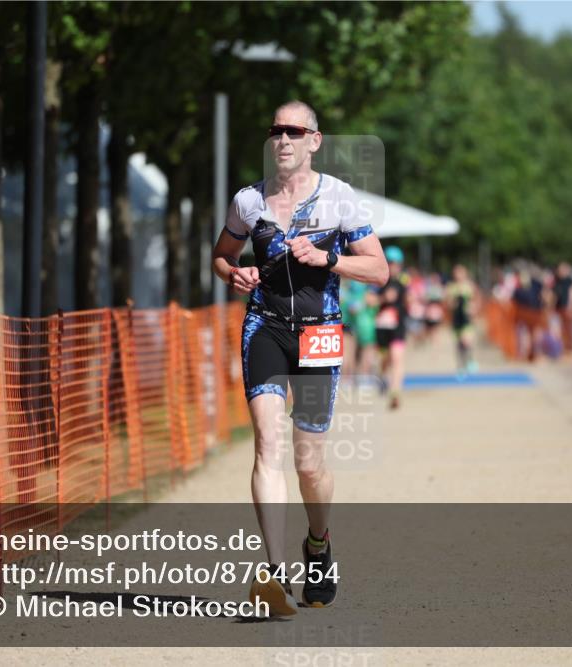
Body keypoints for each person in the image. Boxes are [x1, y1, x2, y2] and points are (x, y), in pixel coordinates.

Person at [211, 101, 388, 615]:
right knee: (267, 444)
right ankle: (274, 576)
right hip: (265, 324)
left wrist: (329, 258)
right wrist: (232, 274)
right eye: (275, 131)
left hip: (320, 334)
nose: (282, 140)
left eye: (293, 131)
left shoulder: (339, 199)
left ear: (314, 140)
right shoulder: (249, 201)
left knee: (308, 462)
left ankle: (318, 544)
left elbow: (379, 271)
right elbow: (222, 255)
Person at [375, 246, 408, 409]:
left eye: (397, 264)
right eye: (391, 263)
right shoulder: (378, 281)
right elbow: (369, 300)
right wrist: (383, 298)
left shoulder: (404, 282)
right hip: (382, 328)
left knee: (397, 358)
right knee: (385, 359)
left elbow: (409, 300)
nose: (394, 266)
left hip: (398, 327)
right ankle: (382, 375)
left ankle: (395, 393)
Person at [447, 264, 479, 374]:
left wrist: (473, 308)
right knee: (458, 344)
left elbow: (476, 299)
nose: (458, 275)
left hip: (466, 318)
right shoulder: (451, 287)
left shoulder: (469, 286)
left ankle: (470, 360)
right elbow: (448, 303)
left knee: (467, 341)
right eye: (456, 273)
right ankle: (460, 365)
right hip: (456, 319)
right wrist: (452, 304)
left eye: (460, 273)